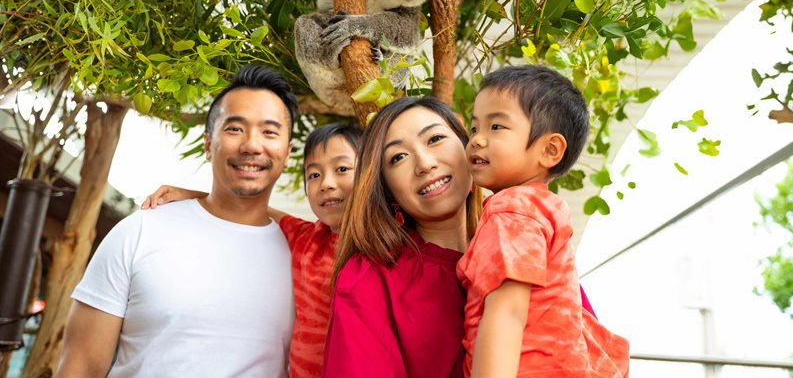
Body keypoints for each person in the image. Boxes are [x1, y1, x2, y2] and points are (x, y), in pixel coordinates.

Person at [55, 65, 298, 377]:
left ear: (287, 152)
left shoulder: (303, 256)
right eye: (235, 128)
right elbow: (81, 366)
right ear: (209, 144)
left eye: (270, 132)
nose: (252, 145)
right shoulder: (141, 231)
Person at [142, 123, 362, 378]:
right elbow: (258, 209)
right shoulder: (307, 239)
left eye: (342, 169)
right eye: (313, 175)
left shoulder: (386, 246)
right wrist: (195, 195)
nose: (326, 183)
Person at [458, 65, 630, 377]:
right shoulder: (539, 209)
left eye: (496, 127)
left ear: (550, 150)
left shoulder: (513, 211)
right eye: (474, 128)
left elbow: (507, 313)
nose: (477, 140)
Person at [322, 97, 481, 378]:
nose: (425, 163)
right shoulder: (369, 279)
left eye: (435, 138)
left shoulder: (523, 243)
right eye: (398, 157)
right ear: (387, 191)